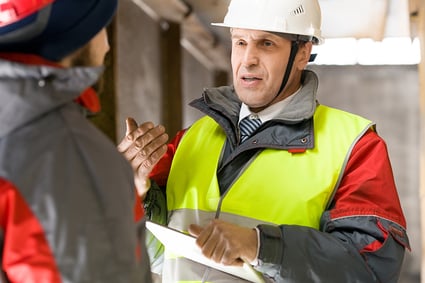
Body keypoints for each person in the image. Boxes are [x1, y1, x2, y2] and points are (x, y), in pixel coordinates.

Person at [119, 0, 410, 282]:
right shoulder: (191, 139)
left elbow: (372, 268)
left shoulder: (354, 146)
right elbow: (157, 255)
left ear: (302, 53)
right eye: (240, 42)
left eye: (266, 43)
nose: (248, 60)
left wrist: (261, 246)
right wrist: (137, 194)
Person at [0, 0, 158, 282]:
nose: (107, 46)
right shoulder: (69, 156)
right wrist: (101, 182)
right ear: (73, 35)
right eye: (100, 27)